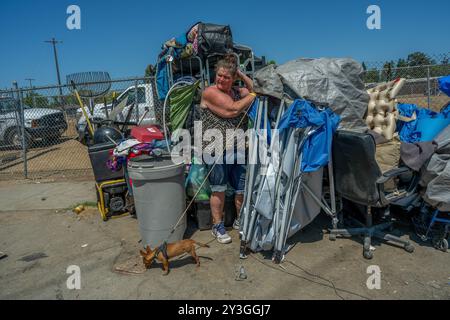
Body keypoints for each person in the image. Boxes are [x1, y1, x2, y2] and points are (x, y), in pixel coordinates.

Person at [200, 54, 256, 244]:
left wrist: (240, 73)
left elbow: (254, 89)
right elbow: (232, 110)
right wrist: (252, 96)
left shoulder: (235, 91)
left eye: (226, 76)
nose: (221, 79)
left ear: (233, 79)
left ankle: (241, 221)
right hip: (215, 148)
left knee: (241, 188)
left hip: (238, 146)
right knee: (219, 189)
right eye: (219, 75)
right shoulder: (209, 92)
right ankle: (218, 226)